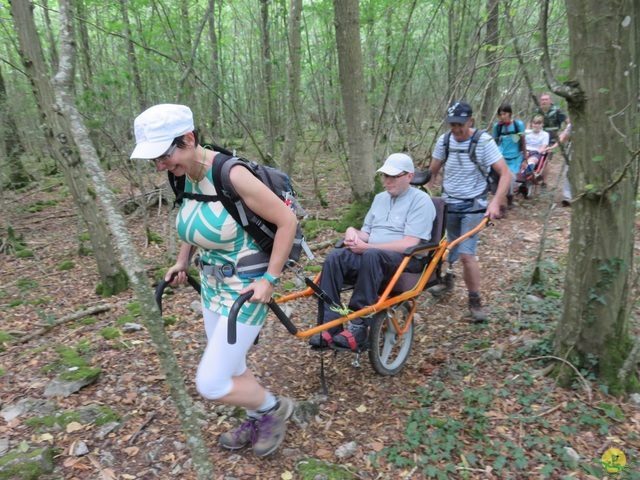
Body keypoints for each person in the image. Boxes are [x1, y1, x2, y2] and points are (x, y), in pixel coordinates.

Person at [130, 104, 298, 457]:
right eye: (154, 160)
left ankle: (272, 408)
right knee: (233, 366)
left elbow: (287, 222)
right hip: (211, 285)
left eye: (164, 155)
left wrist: (270, 279)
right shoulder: (183, 174)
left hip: (248, 289)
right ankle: (258, 415)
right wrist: (181, 260)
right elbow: (194, 222)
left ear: (188, 139)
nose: (160, 165)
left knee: (211, 382)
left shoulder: (231, 175)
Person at [309, 153, 436, 351]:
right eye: (385, 176)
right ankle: (330, 325)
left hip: (405, 260)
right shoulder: (380, 198)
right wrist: (352, 231)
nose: (387, 180)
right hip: (372, 257)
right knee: (336, 256)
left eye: (393, 176)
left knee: (371, 255)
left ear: (409, 176)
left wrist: (367, 247)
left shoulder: (421, 201)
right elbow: (367, 233)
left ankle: (358, 328)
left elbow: (409, 243)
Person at [426, 101, 511, 322]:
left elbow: (505, 174)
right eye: (452, 124)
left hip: (474, 205)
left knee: (466, 254)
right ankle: (448, 279)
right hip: (448, 204)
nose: (456, 128)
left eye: (460, 124)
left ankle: (475, 301)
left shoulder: (484, 141)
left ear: (470, 121)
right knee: (446, 246)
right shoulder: (444, 141)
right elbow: (432, 172)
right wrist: (426, 195)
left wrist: (495, 203)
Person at [492, 103, 526, 212]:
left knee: (511, 179)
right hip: (501, 156)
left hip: (515, 157)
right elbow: (495, 142)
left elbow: (523, 140)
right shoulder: (498, 126)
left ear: (510, 114)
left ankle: (509, 199)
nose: (502, 116)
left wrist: (525, 157)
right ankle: (500, 203)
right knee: (499, 178)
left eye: (504, 114)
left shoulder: (518, 125)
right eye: (500, 114)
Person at [531, 92, 567, 187]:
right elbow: (531, 123)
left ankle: (544, 182)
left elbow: (567, 121)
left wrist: (565, 133)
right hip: (538, 137)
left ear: (550, 101)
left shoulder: (556, 110)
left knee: (545, 159)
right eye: (542, 100)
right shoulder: (537, 111)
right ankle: (532, 176)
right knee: (533, 155)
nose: (544, 101)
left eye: (546, 99)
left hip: (551, 139)